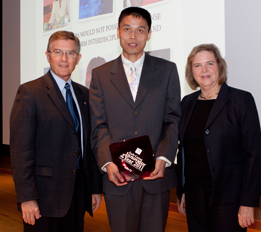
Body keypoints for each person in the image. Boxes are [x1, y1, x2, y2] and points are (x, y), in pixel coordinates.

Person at [89, 6, 181, 232]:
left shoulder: (167, 70)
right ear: (118, 32)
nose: (133, 36)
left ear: (149, 34)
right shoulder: (100, 75)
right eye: (127, 29)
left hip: (156, 178)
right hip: (118, 178)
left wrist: (164, 157)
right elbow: (98, 125)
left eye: (140, 30)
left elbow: (173, 119)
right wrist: (108, 163)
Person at [10, 31, 102, 232]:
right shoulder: (29, 93)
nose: (63, 59)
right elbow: (21, 152)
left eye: (70, 53)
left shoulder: (84, 94)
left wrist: (94, 188)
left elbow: (89, 145)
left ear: (78, 59)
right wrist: (26, 197)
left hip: (77, 194)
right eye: (58, 52)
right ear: (47, 55)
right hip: (43, 198)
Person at [176, 43, 261, 232]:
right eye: (197, 65)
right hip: (194, 196)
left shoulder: (241, 100)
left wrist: (247, 202)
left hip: (229, 199)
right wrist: (182, 191)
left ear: (220, 67)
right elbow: (184, 151)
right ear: (191, 71)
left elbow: (253, 154)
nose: (204, 70)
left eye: (210, 63)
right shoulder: (187, 103)